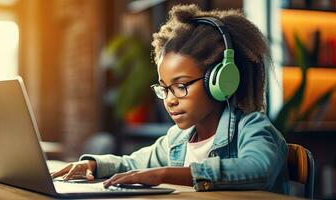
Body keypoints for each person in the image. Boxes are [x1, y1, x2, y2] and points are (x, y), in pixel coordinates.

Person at [51, 4, 288, 194]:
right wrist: (93, 165)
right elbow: (133, 165)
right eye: (164, 88)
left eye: (181, 86)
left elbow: (259, 168)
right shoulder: (178, 139)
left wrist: (164, 174)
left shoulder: (252, 127)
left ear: (220, 81)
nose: (170, 100)